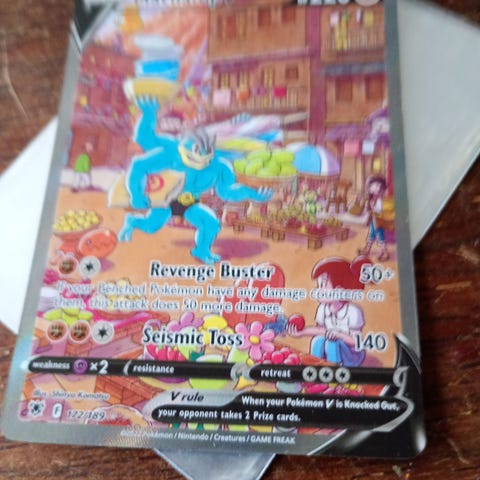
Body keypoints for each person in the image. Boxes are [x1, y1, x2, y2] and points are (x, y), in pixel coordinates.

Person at [288, 256, 371, 367]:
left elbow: (356, 342)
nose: (318, 290)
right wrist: (302, 332)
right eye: (318, 286)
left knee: (332, 343)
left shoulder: (353, 311)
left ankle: (334, 370)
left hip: (351, 356)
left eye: (323, 285)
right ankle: (313, 365)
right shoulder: (323, 308)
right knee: (317, 340)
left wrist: (338, 335)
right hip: (330, 349)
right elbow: (320, 330)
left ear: (339, 290)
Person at [358, 174, 389, 261]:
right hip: (373, 220)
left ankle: (385, 252)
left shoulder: (379, 200)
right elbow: (367, 209)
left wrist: (372, 209)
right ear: (369, 187)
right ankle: (367, 249)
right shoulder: (371, 198)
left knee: (380, 236)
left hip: (379, 220)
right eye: (375, 185)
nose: (377, 188)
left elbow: (379, 210)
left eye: (379, 186)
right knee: (371, 235)